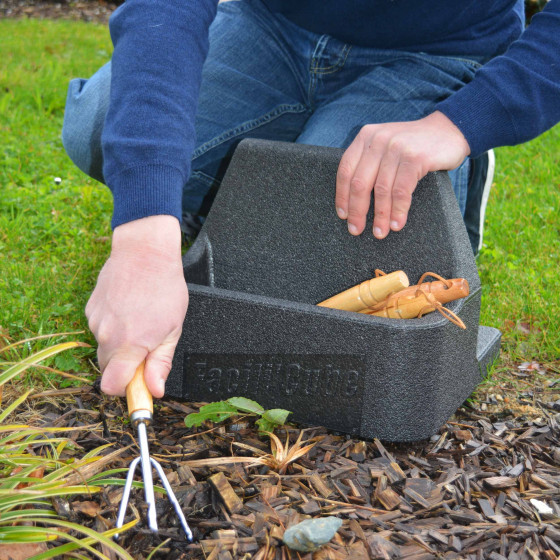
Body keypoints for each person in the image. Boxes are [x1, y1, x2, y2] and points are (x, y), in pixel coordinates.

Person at [62, 0, 560, 399]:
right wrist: (145, 240)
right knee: (101, 128)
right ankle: (239, 190)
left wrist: (464, 121)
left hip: (440, 49)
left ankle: (450, 163)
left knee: (325, 235)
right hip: (273, 24)